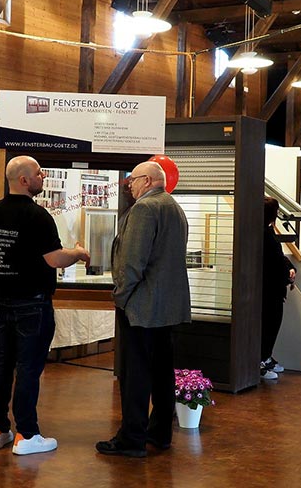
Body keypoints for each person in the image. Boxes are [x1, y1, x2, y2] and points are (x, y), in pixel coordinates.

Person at [0, 156, 90, 455]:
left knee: (2, 365)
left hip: (1, 301)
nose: (43, 176)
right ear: (24, 180)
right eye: (39, 173)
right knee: (28, 368)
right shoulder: (38, 217)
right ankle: (27, 435)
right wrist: (78, 253)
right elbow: (55, 259)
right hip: (32, 304)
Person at [96, 161, 191, 458]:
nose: (130, 185)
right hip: (167, 307)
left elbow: (132, 261)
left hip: (141, 307)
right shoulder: (174, 207)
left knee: (134, 374)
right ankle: (160, 433)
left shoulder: (144, 209)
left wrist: (121, 296)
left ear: (148, 180)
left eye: (133, 180)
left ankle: (131, 438)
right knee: (163, 372)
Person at [260, 197, 296, 380]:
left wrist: (289, 268)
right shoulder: (266, 236)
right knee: (269, 326)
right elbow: (275, 263)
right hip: (270, 291)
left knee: (269, 326)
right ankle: (261, 361)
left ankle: (265, 357)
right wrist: (288, 277)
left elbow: (280, 258)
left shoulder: (265, 233)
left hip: (268, 289)